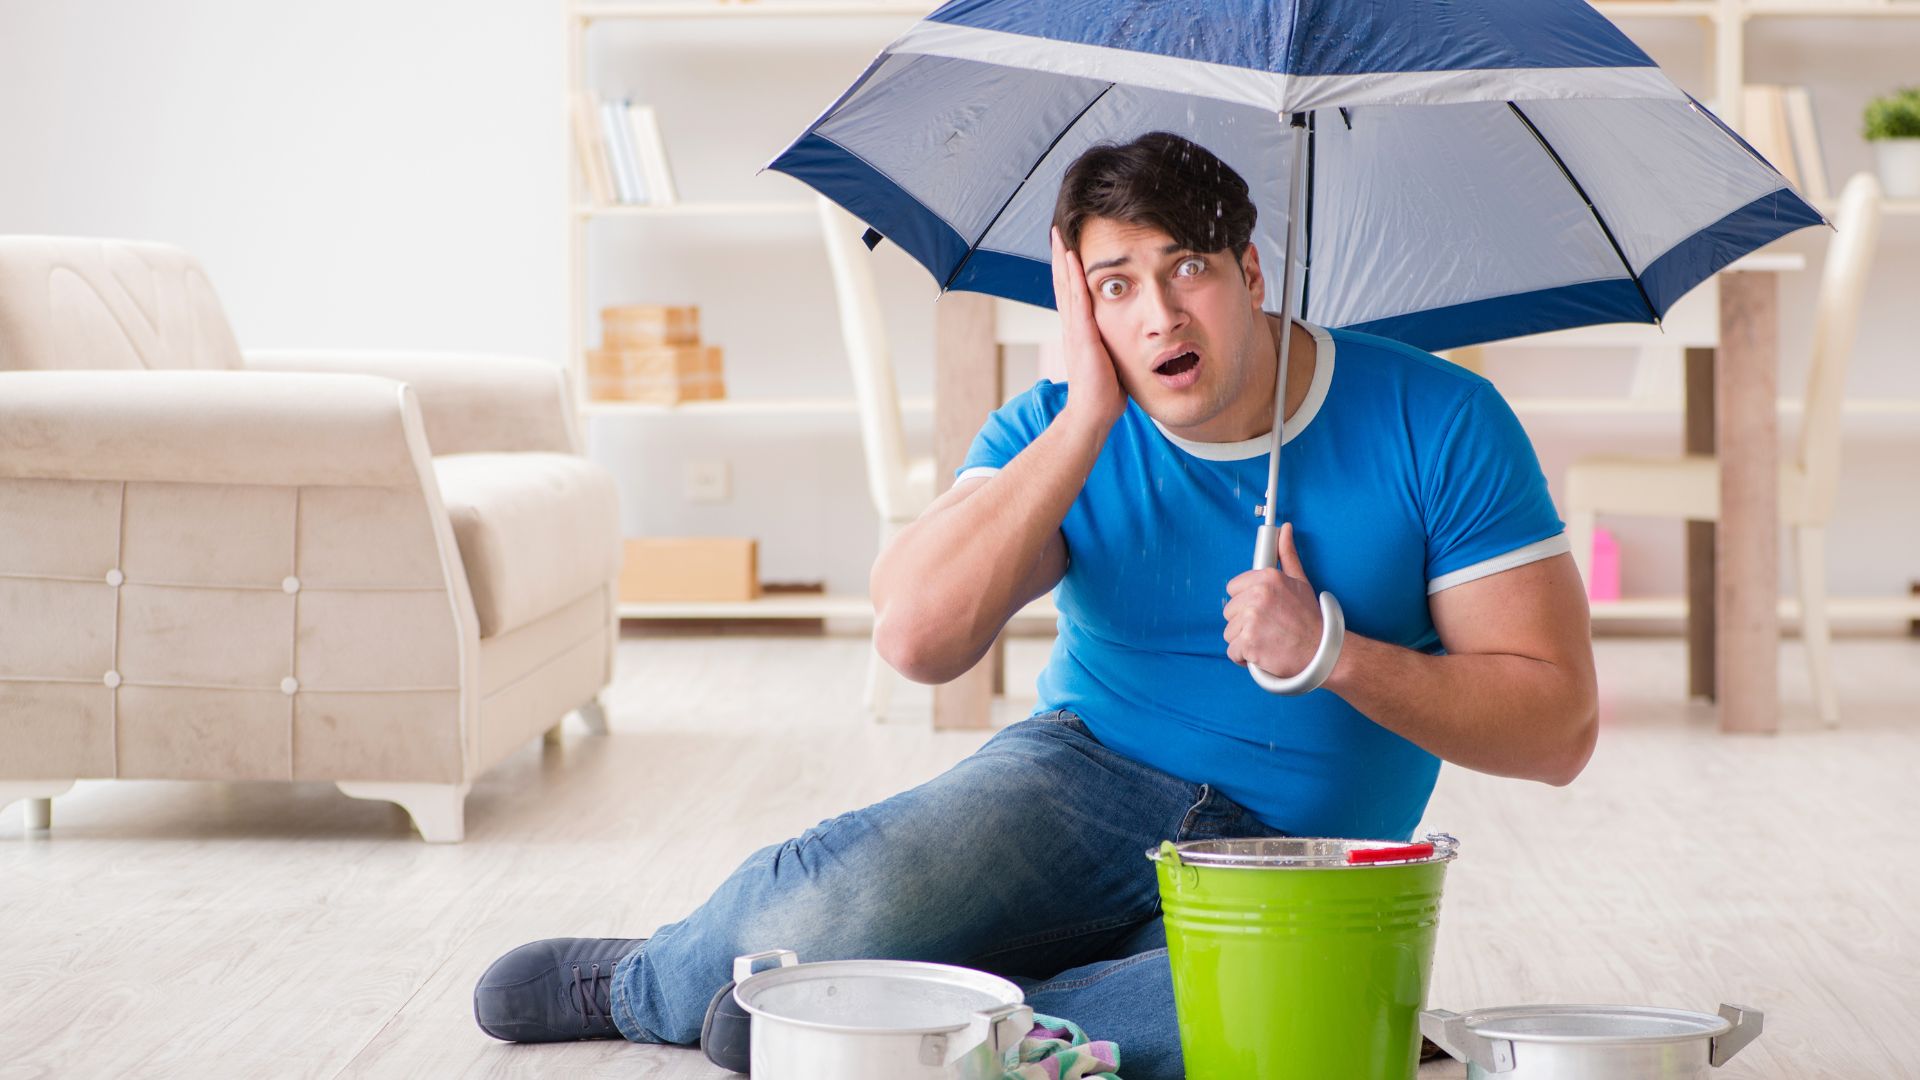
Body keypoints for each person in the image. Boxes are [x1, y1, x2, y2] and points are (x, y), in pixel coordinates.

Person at [471, 132, 1598, 1079]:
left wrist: (1334, 651)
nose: (1159, 314)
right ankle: (644, 982)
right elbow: (917, 638)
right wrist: (1081, 424)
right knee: (830, 909)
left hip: (1308, 856)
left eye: (1188, 267)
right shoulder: (1055, 430)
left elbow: (1557, 730)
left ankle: (909, 1010)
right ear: (1081, 307)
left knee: (1273, 1030)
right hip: (1086, 777)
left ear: (1252, 272)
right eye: (1116, 285)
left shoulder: (1443, 420)